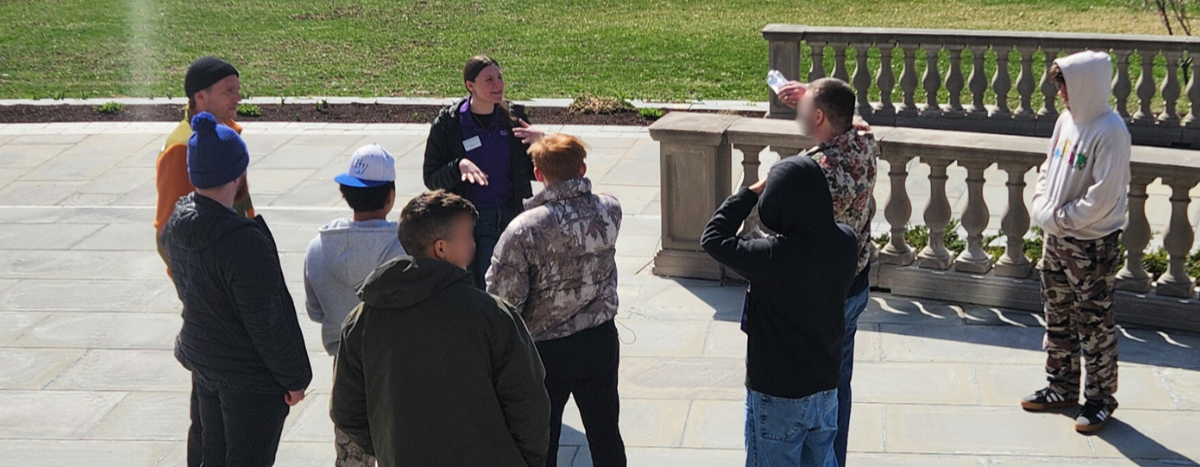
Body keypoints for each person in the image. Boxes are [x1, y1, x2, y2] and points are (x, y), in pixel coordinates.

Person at [331, 190, 551, 467]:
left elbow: (347, 411)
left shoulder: (360, 320)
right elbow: (530, 406)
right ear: (441, 248)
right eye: (467, 237)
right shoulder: (492, 316)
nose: (474, 245)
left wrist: (393, 447)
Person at [161, 112, 312, 467]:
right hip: (249, 381)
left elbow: (191, 293)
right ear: (237, 172)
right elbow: (265, 321)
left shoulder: (178, 224)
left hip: (207, 364)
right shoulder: (243, 243)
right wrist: (294, 378)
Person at [702, 154, 858, 467]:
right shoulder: (845, 242)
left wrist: (749, 193)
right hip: (825, 388)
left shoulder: (772, 257)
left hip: (777, 393)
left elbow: (713, 238)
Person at [487, 134, 627, 467]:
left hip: (545, 351)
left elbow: (504, 299)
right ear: (582, 167)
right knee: (606, 432)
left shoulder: (523, 229)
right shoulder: (610, 209)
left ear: (538, 174)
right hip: (600, 339)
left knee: (541, 442)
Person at [1024, 50, 1130, 434]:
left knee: (1094, 323)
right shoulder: (1065, 121)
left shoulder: (1112, 131)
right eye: (1060, 87)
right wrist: (1042, 208)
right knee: (1058, 316)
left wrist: (1060, 218)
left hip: (1091, 246)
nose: (1062, 95)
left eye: (1067, 86)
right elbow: (1048, 167)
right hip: (1056, 238)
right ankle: (1061, 386)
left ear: (1088, 85)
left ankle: (1100, 399)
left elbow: (1103, 197)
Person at [781, 78, 879, 466]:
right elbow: (855, 120)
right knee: (839, 383)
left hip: (823, 298)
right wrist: (812, 94)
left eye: (806, 108)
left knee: (811, 390)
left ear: (819, 116)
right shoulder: (867, 144)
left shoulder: (817, 172)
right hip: (855, 285)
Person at [304, 143, 406, 467]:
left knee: (352, 460)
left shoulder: (317, 250)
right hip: (398, 370)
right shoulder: (406, 247)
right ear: (390, 197)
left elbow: (314, 310)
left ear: (346, 193)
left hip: (345, 371)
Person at [423, 55, 546, 288]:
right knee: (484, 283)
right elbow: (431, 177)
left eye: (500, 78)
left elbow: (537, 171)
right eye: (489, 79)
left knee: (519, 281)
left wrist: (542, 144)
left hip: (513, 213)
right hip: (475, 221)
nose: (498, 85)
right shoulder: (449, 124)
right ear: (470, 86)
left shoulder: (513, 118)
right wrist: (458, 166)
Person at [155, 56, 256, 272]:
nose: (238, 98)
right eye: (229, 91)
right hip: (212, 286)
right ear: (200, 97)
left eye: (237, 90)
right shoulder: (181, 147)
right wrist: (195, 289)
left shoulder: (228, 133)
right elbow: (168, 232)